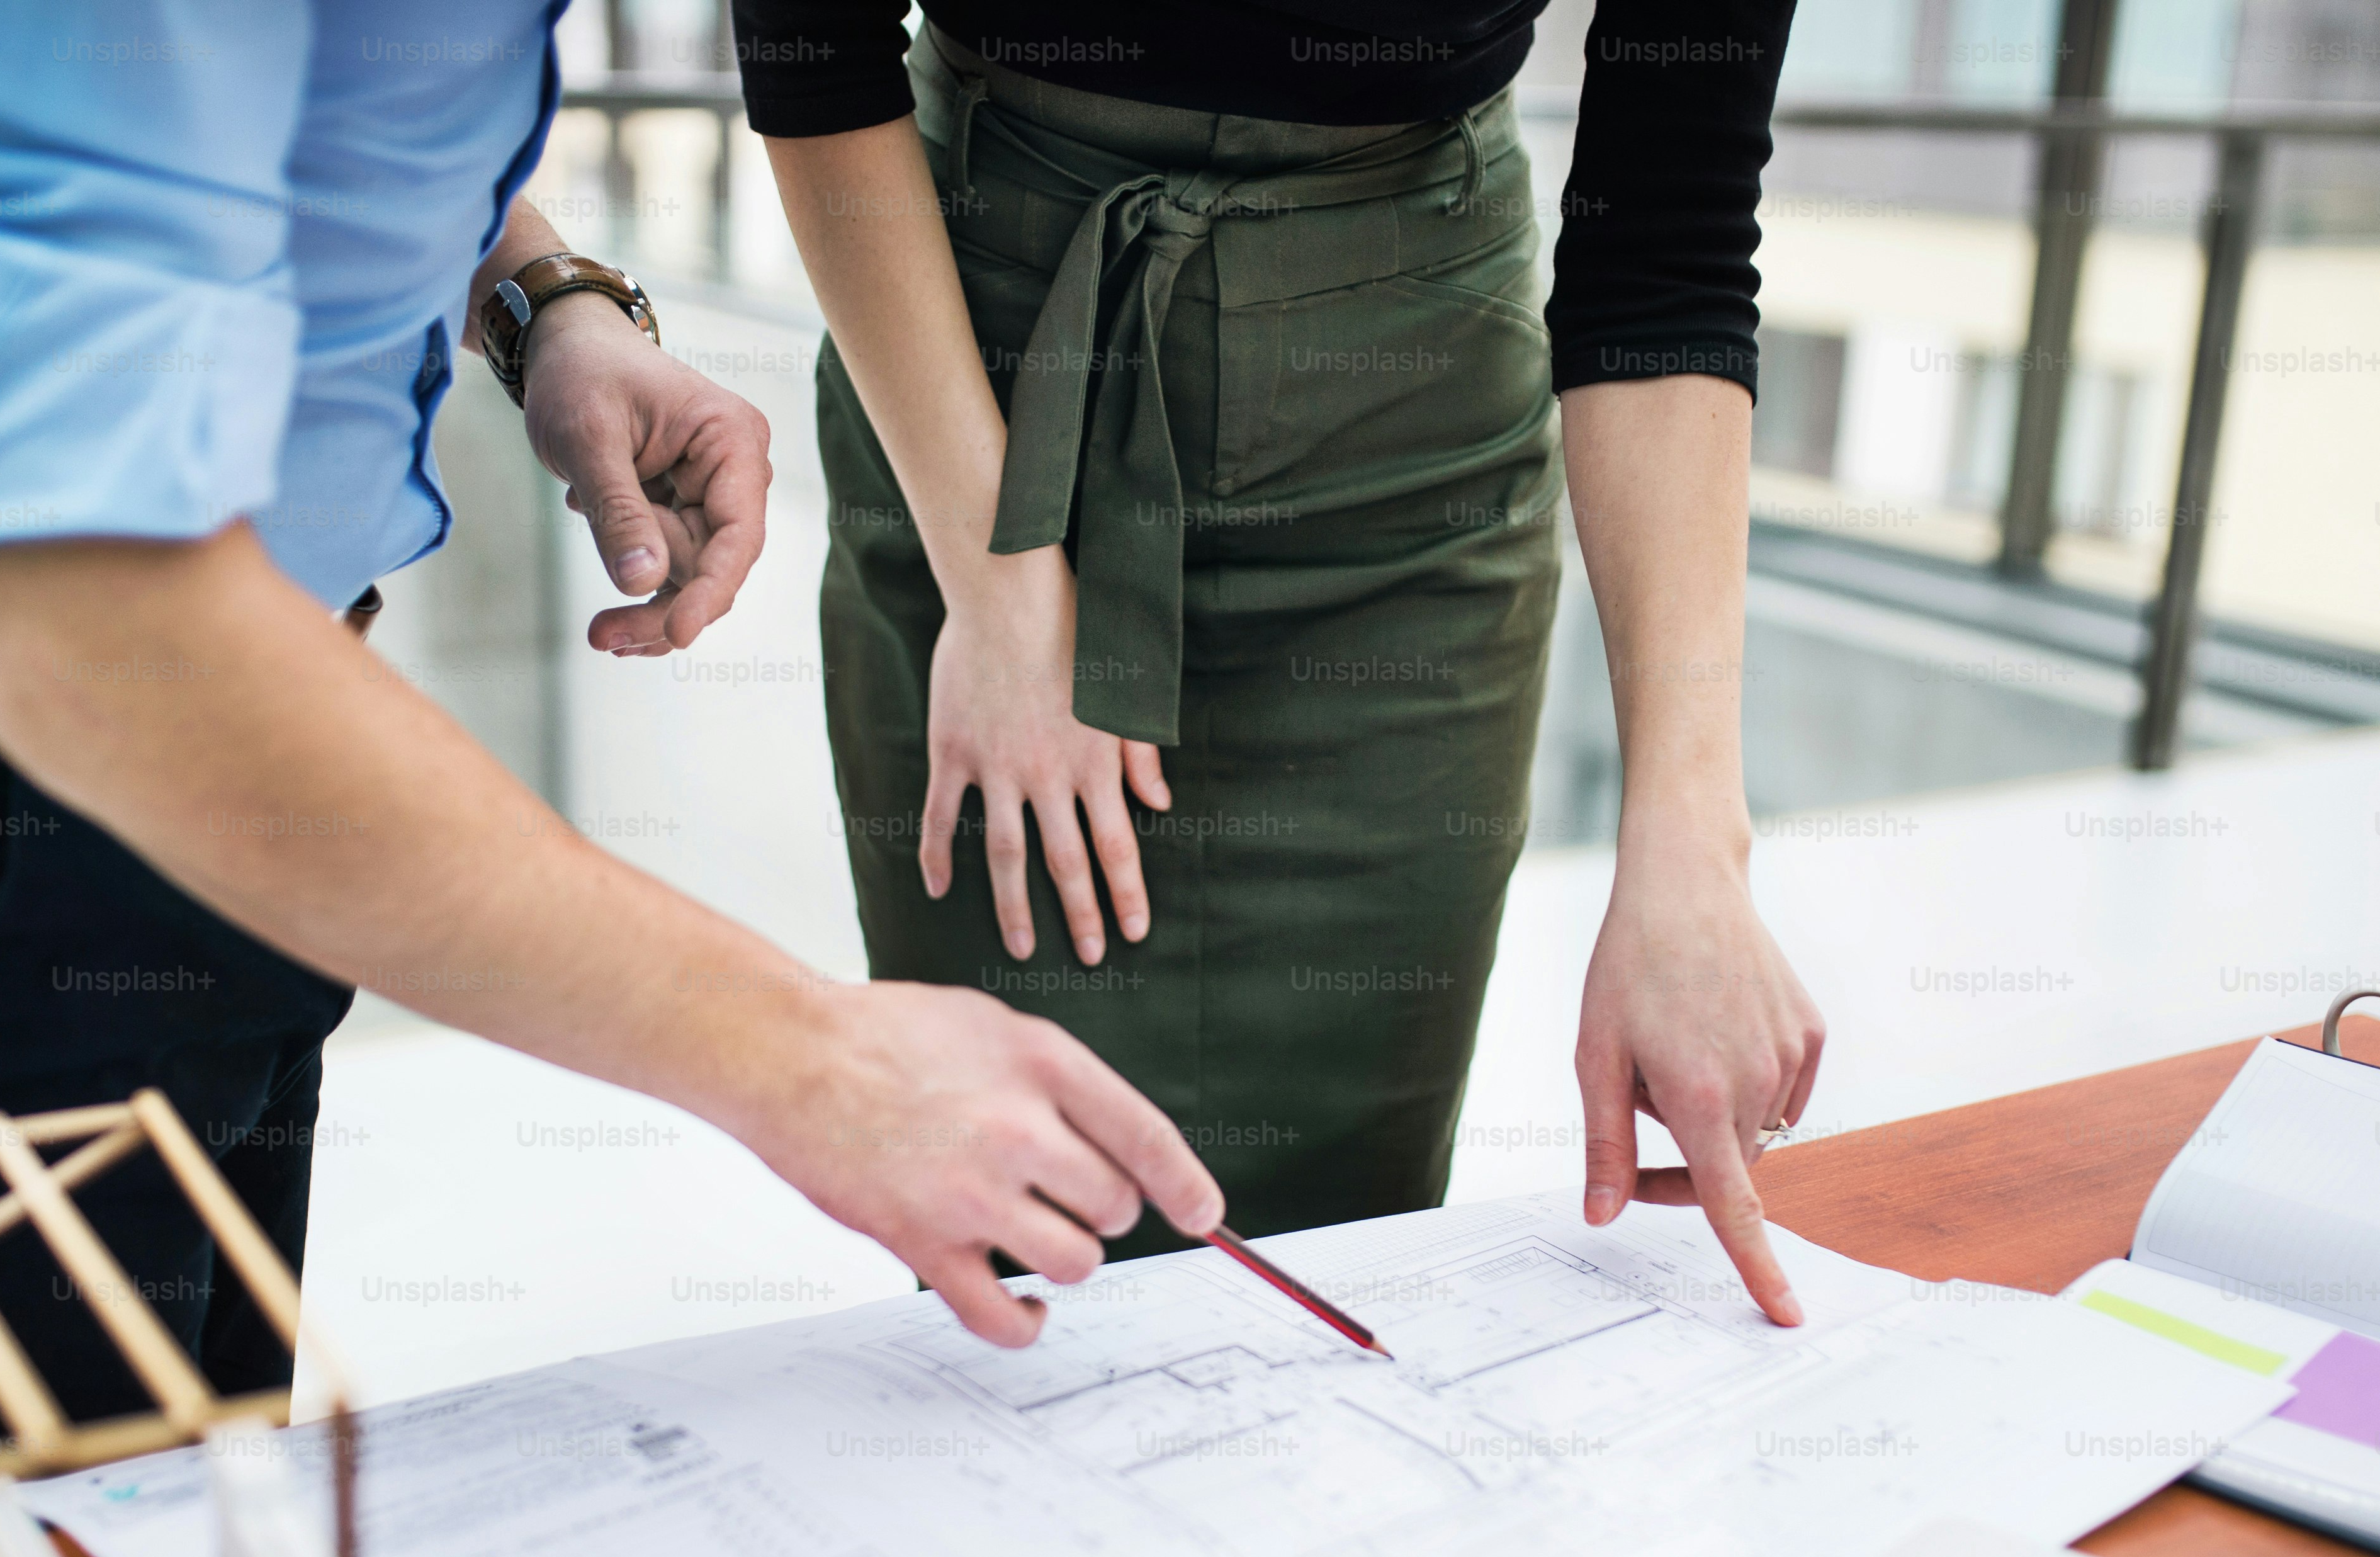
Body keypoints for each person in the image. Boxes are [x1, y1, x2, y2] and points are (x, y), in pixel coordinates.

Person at [0, 6, 1220, 1483]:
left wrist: (537, 294)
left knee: (200, 1550)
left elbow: (270, 94)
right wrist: (812, 1061)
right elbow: (79, 611)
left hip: (234, 759)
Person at [739, 1, 1827, 1323]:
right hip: (987, 392)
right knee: (1028, 1234)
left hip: (1402, 465)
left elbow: (1671, 243)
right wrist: (1001, 589)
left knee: (1340, 1252)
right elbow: (809, 38)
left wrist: (1689, 846)